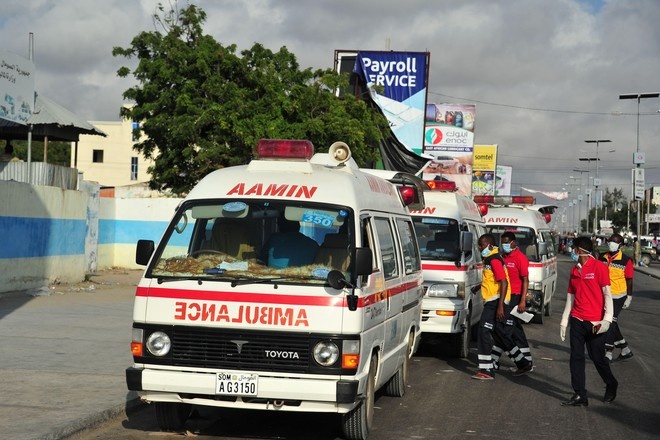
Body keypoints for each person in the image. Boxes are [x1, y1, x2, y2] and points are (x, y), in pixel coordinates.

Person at [559, 236, 618, 406]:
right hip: (577, 319)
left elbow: (608, 295)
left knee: (597, 357)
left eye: (573, 248)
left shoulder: (599, 267)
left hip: (595, 323)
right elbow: (571, 296)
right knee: (576, 357)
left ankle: (611, 383)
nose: (572, 251)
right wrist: (564, 320)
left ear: (579, 250)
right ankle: (580, 394)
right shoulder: (574, 270)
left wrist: (606, 321)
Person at [472, 234, 531, 380]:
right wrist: (479, 287)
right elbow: (494, 280)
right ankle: (522, 361)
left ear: (490, 246)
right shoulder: (493, 258)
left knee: (484, 331)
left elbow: (504, 282)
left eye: (482, 245)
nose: (480, 248)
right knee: (501, 334)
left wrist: (500, 306)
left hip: (497, 301)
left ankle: (487, 369)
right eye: (479, 245)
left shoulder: (494, 259)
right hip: (497, 300)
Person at [493, 231, 534, 373]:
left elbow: (525, 280)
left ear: (514, 243)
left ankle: (495, 360)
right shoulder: (502, 257)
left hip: (515, 297)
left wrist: (522, 300)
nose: (504, 245)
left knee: (503, 330)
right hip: (505, 296)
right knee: (516, 331)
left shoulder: (520, 258)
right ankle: (526, 360)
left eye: (507, 242)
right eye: (502, 242)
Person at [600, 233, 634, 362]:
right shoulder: (602, 257)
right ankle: (625, 348)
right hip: (604, 294)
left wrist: (629, 297)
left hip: (618, 295)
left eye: (614, 242)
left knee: (610, 321)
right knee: (611, 321)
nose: (611, 243)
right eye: (609, 241)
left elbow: (629, 280)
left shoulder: (626, 260)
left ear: (620, 245)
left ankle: (608, 351)